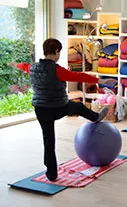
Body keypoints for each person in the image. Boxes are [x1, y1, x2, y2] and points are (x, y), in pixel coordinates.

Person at [8, 38, 117, 182]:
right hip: (57, 107)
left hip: (41, 110)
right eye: (60, 52)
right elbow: (77, 76)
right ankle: (95, 117)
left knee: (48, 141)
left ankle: (51, 174)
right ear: (56, 51)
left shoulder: (33, 68)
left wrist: (14, 64)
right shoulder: (57, 69)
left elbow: (24, 66)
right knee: (77, 106)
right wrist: (100, 81)